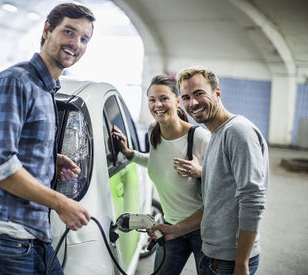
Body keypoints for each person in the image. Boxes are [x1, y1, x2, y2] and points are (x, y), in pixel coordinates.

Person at [0, 3, 95, 275]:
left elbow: (9, 147)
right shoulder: (15, 81)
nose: (76, 43)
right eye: (69, 32)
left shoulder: (44, 89)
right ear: (47, 30)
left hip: (30, 237)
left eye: (84, 38)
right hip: (2, 239)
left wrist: (49, 160)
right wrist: (61, 203)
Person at [150, 66, 269, 275]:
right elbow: (214, 202)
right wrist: (174, 230)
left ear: (217, 93)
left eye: (199, 94)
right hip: (214, 254)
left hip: (230, 260)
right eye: (186, 97)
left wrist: (241, 263)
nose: (192, 103)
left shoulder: (238, 132)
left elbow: (253, 200)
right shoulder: (216, 136)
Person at [111, 75, 211, 275]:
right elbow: (159, 163)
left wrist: (200, 172)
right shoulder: (154, 132)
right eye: (152, 99)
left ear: (177, 100)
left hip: (203, 229)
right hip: (170, 225)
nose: (158, 104)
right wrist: (129, 153)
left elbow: (222, 181)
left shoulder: (199, 137)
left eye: (164, 98)